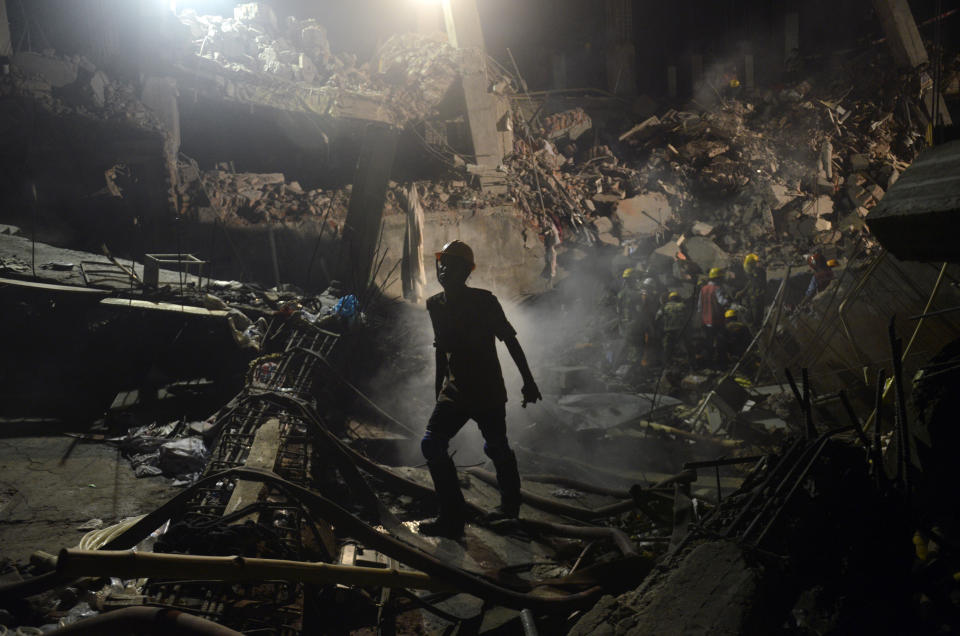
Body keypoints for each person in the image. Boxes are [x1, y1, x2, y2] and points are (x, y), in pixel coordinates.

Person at [420, 240, 542, 539]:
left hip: (486, 387)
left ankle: (509, 510)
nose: (444, 269)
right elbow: (440, 350)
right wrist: (439, 389)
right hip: (455, 390)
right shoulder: (434, 304)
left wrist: (528, 380)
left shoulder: (484, 301)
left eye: (452, 264)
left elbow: (510, 340)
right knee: (432, 444)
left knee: (497, 446)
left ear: (466, 271)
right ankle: (452, 515)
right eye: (442, 263)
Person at [698, 267, 729, 367]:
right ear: (717, 279)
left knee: (708, 342)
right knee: (721, 342)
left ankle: (709, 363)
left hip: (705, 321)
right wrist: (730, 303)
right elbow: (722, 301)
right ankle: (721, 363)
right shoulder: (717, 289)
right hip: (717, 321)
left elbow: (699, 306)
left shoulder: (703, 289)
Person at [657, 291, 692, 366]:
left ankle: (667, 364)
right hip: (681, 331)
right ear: (678, 298)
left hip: (669, 331)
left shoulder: (664, 306)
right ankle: (690, 364)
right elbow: (689, 318)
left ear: (670, 299)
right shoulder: (683, 306)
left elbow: (657, 318)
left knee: (667, 348)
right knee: (686, 348)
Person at [738, 253, 767, 330]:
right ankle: (755, 326)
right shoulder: (754, 271)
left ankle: (756, 328)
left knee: (756, 317)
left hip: (757, 298)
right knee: (752, 314)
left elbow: (756, 283)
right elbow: (750, 282)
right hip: (753, 298)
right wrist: (743, 291)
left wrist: (743, 292)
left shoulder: (759, 272)